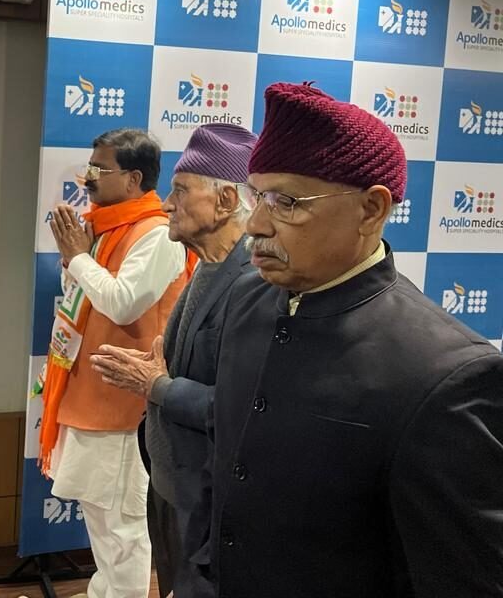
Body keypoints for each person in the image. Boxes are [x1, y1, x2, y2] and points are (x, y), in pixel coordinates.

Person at [209, 82, 503, 596]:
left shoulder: (445, 371)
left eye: (286, 202)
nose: (255, 224)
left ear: (371, 209)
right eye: (256, 195)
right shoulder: (246, 300)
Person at [90, 123, 257, 598]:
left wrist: (157, 385)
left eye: (181, 191)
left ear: (225, 201)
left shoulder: (255, 285)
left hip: (208, 501)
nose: (166, 204)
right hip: (172, 487)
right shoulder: (207, 265)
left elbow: (247, 408)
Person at [38, 128, 190, 598]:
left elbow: (123, 304)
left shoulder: (157, 234)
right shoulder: (105, 228)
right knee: (100, 521)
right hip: (89, 393)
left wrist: (78, 258)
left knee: (123, 530)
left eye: (99, 168)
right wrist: (77, 262)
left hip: (125, 405)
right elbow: (81, 303)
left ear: (133, 178)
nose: (88, 177)